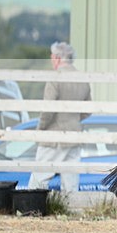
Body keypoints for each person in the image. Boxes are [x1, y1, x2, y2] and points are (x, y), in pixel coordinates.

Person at [28, 42, 92, 192]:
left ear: (57, 58)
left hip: (53, 137)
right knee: (70, 181)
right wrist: (74, 119)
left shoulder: (55, 78)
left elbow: (47, 110)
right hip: (75, 134)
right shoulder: (82, 79)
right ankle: (71, 209)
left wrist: (40, 129)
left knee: (39, 178)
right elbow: (88, 110)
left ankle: (31, 208)